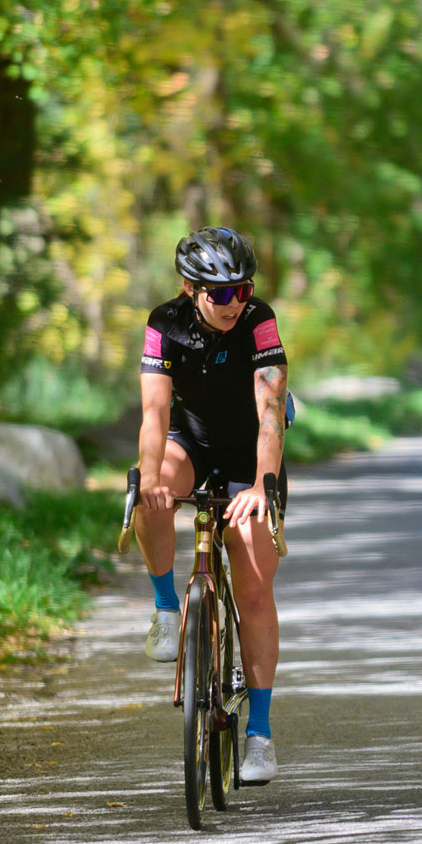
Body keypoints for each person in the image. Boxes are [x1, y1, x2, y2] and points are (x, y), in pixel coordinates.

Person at [136, 227, 292, 785]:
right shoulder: (165, 323)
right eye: (220, 293)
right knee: (146, 496)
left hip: (250, 449)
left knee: (253, 587)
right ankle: (165, 608)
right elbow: (155, 414)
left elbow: (271, 411)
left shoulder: (259, 320)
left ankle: (261, 734)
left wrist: (260, 484)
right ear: (190, 288)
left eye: (243, 290)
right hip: (191, 443)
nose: (234, 303)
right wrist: (153, 478)